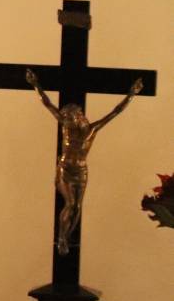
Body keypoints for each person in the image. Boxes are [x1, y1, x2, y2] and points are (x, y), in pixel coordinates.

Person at [25, 69, 143, 254]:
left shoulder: (92, 130)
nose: (68, 120)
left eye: (72, 117)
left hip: (81, 171)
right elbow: (47, 104)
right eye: (67, 118)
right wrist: (35, 84)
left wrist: (131, 94)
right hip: (65, 168)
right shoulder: (66, 128)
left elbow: (115, 112)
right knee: (70, 204)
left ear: (79, 116)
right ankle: (62, 239)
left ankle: (69, 237)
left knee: (78, 207)